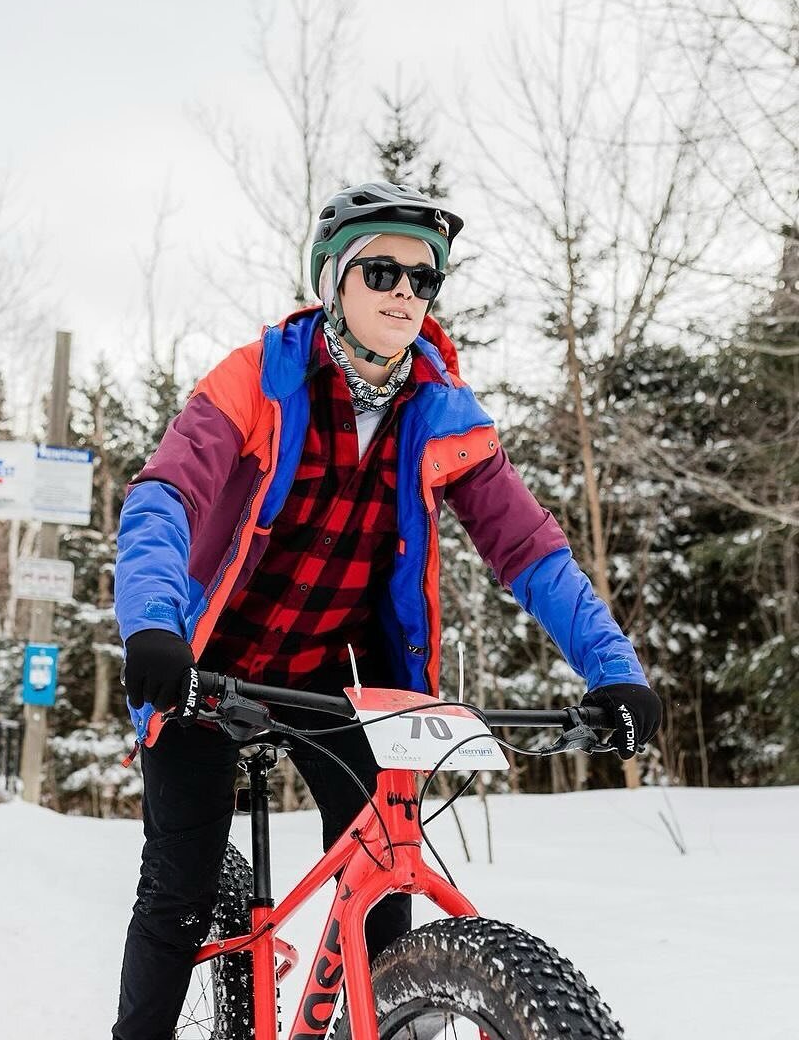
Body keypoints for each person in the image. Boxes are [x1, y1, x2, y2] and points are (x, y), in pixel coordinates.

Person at [110, 181, 661, 1039]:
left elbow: (533, 552)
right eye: (382, 272)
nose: (406, 291)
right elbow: (165, 497)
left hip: (336, 681)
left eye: (424, 278)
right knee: (179, 890)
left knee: (385, 879)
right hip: (203, 668)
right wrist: (152, 625)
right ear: (333, 279)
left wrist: (614, 671)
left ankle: (387, 1007)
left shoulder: (442, 412)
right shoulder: (260, 377)